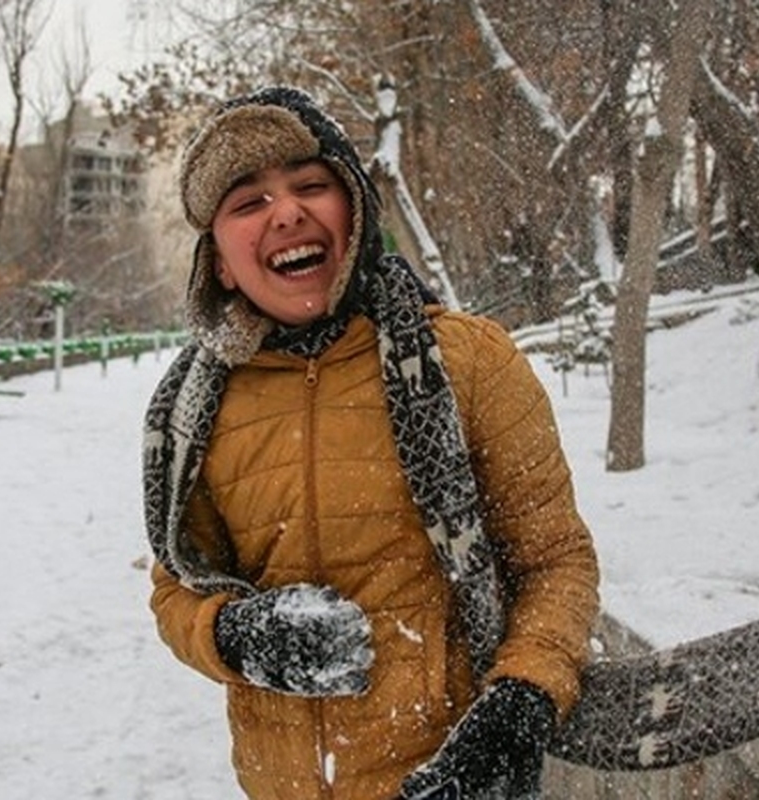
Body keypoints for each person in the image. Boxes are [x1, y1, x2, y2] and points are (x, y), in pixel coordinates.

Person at [141, 86, 600, 800]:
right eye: (248, 202)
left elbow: (555, 560)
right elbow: (177, 586)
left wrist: (520, 700)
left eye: (310, 185)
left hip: (455, 779)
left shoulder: (469, 360)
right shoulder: (193, 413)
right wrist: (231, 636)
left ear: (355, 211)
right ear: (222, 264)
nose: (286, 212)